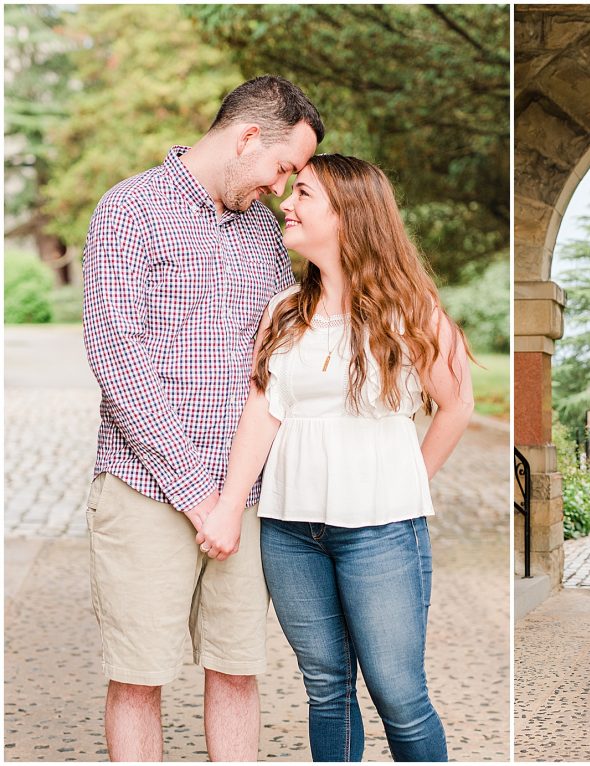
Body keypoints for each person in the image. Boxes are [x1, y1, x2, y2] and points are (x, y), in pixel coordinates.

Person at [195, 154, 475, 762]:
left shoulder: (411, 311)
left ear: (349, 215)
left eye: (303, 194)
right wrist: (226, 508)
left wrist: (410, 477)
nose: (286, 204)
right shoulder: (284, 311)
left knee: (399, 695)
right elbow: (261, 415)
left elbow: (457, 405)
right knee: (326, 691)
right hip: (291, 533)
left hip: (381, 533)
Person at [82, 75, 323, 761]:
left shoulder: (260, 233)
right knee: (138, 677)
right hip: (145, 490)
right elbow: (116, 355)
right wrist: (197, 496)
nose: (281, 189)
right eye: (283, 168)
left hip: (245, 498)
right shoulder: (130, 210)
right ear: (248, 138)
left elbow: (277, 357)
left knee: (237, 669)